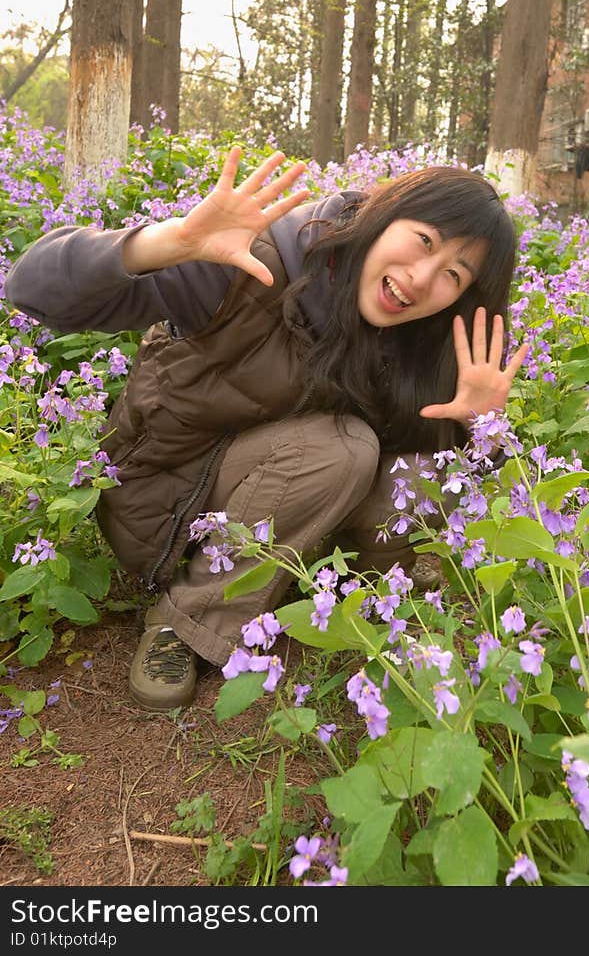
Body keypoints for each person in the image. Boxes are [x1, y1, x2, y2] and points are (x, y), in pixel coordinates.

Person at [6, 148, 527, 711]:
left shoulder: (419, 338)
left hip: (288, 509)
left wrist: (482, 429)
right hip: (166, 500)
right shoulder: (253, 265)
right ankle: (185, 621)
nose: (422, 279)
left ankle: (376, 593)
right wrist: (168, 241)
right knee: (344, 449)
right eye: (424, 241)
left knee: (419, 469)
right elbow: (31, 289)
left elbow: (428, 476)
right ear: (384, 211)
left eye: (453, 273)